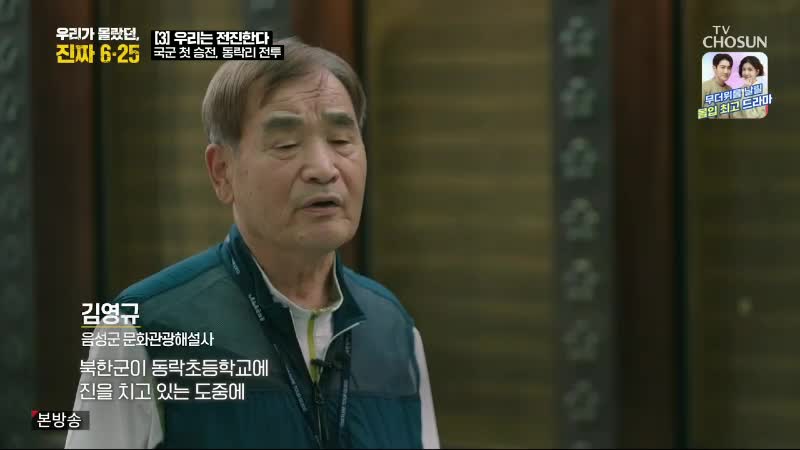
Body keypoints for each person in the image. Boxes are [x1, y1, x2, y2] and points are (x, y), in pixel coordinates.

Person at [65, 37, 440, 449]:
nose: (323, 168)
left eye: (340, 140)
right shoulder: (141, 329)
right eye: (286, 145)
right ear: (222, 172)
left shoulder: (394, 332)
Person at [732, 55, 767, 119]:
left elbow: (752, 116)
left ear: (757, 72)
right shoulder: (740, 88)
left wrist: (744, 92)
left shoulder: (762, 90)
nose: (746, 73)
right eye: (744, 69)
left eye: (750, 69)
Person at [701, 53, 733, 119]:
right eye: (722, 67)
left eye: (729, 68)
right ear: (714, 68)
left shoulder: (730, 89)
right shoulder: (704, 87)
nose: (726, 71)